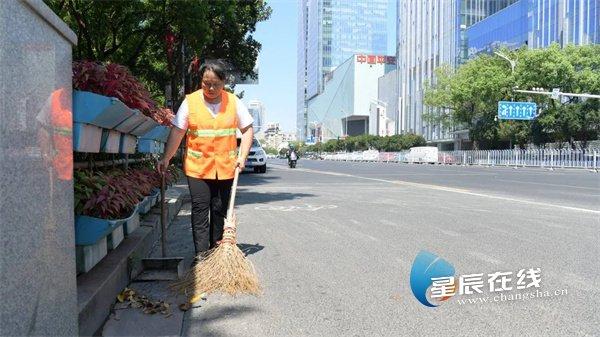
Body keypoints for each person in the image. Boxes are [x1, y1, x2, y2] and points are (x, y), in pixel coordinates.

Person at [158, 61, 254, 255]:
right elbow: (178, 132)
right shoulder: (190, 102)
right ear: (200, 81)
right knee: (200, 209)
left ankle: (216, 256)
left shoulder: (233, 102)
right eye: (205, 83)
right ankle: (202, 257)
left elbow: (247, 130)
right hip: (198, 169)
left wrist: (242, 156)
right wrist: (166, 158)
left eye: (215, 84)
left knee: (219, 210)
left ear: (224, 82)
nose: (210, 88)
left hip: (226, 168)